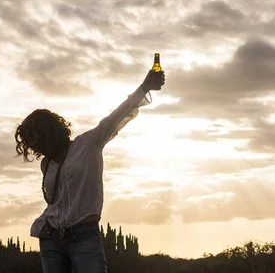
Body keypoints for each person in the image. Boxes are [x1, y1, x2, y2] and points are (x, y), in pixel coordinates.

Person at [14, 67, 166, 273]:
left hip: (83, 236)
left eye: (37, 140)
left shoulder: (88, 144)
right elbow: (57, 203)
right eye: (31, 144)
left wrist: (144, 87)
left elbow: (116, 116)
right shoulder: (46, 164)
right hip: (51, 240)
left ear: (51, 133)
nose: (35, 148)